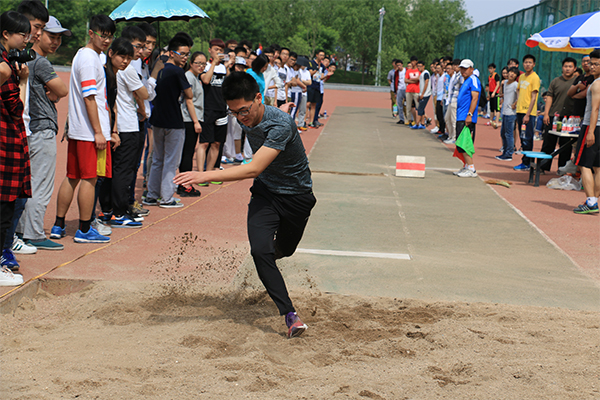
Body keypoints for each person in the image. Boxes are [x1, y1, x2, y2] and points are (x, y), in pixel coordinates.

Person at [174, 72, 316, 338]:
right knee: (260, 251)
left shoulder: (281, 125)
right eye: (234, 113)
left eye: (244, 111)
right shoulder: (249, 113)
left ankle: (268, 263)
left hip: (297, 197)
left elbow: (253, 168)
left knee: (283, 250)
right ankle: (290, 315)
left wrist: (205, 174)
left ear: (258, 99)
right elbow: (259, 173)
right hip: (265, 193)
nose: (241, 118)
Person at [51, 14, 115, 244]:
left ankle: (59, 225)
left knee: (73, 177)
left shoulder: (85, 55)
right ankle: (85, 229)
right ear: (92, 33)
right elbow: (90, 97)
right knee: (89, 179)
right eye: (103, 35)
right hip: (89, 132)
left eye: (110, 37)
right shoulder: (89, 59)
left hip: (81, 130)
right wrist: (99, 131)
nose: (106, 40)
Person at [17, 16, 69, 251]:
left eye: (59, 37)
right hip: (42, 128)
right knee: (41, 184)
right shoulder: (41, 63)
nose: (55, 41)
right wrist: (55, 92)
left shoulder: (26, 59)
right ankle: (34, 232)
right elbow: (62, 89)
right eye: (51, 35)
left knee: (28, 183)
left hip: (29, 127)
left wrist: (54, 93)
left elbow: (56, 92)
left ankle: (21, 231)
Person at [103, 26, 149, 227]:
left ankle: (110, 210)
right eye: (137, 46)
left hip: (117, 125)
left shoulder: (112, 70)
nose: (138, 53)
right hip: (126, 126)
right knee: (124, 170)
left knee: (115, 170)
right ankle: (118, 213)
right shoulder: (125, 70)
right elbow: (145, 94)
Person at [144, 36, 196, 208]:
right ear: (172, 53)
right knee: (171, 161)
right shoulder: (177, 72)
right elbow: (189, 94)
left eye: (187, 54)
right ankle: (167, 197)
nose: (185, 57)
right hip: (174, 121)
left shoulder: (157, 68)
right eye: (182, 53)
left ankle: (152, 195)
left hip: (157, 119)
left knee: (158, 158)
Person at [0, 10, 31, 284]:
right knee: (4, 206)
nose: (27, 39)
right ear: (6, 34)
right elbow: (16, 107)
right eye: (23, 33)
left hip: (6, 141)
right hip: (5, 142)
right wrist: (22, 81)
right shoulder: (4, 65)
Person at [196, 39, 232, 186]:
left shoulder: (223, 68)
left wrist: (228, 66)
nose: (219, 52)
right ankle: (200, 174)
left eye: (221, 50)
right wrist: (213, 64)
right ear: (210, 50)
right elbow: (205, 80)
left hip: (221, 109)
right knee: (204, 143)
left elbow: (229, 84)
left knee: (217, 143)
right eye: (216, 49)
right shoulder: (205, 66)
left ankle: (209, 173)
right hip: (207, 109)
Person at [572, 50, 600, 214]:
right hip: (597, 127)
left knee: (584, 164)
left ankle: (591, 202)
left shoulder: (596, 84)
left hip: (593, 126)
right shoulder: (594, 82)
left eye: (597, 64)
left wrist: (590, 132)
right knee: (597, 166)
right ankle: (593, 199)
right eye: (592, 63)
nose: (593, 66)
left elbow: (595, 109)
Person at [539, 57, 576, 171]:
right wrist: (546, 114)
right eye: (565, 66)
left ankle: (562, 168)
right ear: (562, 68)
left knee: (565, 145)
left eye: (570, 67)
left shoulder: (577, 82)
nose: (567, 69)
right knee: (548, 143)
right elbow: (549, 97)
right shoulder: (555, 81)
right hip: (553, 117)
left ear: (574, 68)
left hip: (569, 118)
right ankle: (543, 167)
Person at [177, 51, 206, 196]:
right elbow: (189, 101)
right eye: (198, 63)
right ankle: (184, 184)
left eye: (203, 64)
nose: (201, 66)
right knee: (187, 153)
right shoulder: (189, 76)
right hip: (189, 119)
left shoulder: (196, 77)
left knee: (188, 152)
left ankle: (185, 183)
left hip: (193, 118)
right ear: (191, 63)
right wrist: (196, 122)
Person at [453, 59, 481, 178]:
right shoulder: (465, 80)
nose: (463, 70)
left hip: (466, 117)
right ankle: (466, 166)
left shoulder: (473, 79)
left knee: (465, 143)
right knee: (460, 143)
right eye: (462, 68)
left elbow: (475, 98)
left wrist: (469, 114)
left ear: (471, 69)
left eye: (466, 68)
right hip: (461, 115)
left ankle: (471, 168)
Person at [513, 54, 540, 171]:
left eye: (530, 62)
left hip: (528, 113)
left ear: (534, 64)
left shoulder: (535, 78)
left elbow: (534, 97)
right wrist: (517, 103)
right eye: (526, 62)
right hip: (520, 110)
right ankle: (525, 161)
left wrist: (528, 114)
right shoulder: (522, 76)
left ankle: (528, 163)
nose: (527, 64)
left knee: (527, 138)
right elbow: (518, 90)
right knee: (522, 137)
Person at [496, 67, 519, 161]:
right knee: (503, 133)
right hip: (504, 111)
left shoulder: (515, 85)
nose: (511, 74)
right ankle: (505, 152)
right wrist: (501, 87)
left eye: (514, 73)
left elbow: (519, 96)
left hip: (511, 113)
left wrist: (515, 104)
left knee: (508, 134)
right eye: (510, 72)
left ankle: (509, 154)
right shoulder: (505, 83)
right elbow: (503, 94)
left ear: (516, 76)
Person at [307, 50, 324, 128]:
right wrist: (316, 69)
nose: (322, 57)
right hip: (311, 85)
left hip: (317, 86)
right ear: (317, 55)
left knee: (314, 104)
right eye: (320, 55)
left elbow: (321, 77)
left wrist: (328, 75)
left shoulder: (322, 66)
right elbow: (310, 73)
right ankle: (304, 120)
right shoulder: (311, 63)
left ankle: (311, 122)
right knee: (308, 104)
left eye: (323, 55)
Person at [411, 61, 430, 130]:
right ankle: (422, 123)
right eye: (418, 66)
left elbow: (426, 83)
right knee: (421, 109)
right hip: (422, 93)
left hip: (425, 94)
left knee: (420, 109)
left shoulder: (426, 73)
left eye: (420, 66)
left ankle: (417, 123)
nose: (419, 67)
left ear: (423, 66)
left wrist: (422, 94)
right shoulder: (421, 73)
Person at [405, 56, 420, 126]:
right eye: (411, 61)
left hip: (416, 90)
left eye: (414, 61)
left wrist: (410, 80)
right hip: (409, 90)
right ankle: (409, 120)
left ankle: (418, 120)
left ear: (416, 62)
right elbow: (405, 80)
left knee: (418, 106)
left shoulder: (418, 70)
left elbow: (418, 79)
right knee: (408, 106)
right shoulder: (408, 71)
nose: (412, 63)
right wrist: (414, 80)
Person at [487, 63, 500, 128]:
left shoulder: (496, 75)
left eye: (491, 68)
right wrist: (488, 94)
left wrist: (494, 93)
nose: (490, 70)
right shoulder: (489, 76)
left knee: (497, 108)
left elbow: (498, 84)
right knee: (491, 108)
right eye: (489, 68)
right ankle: (491, 121)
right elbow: (489, 85)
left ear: (494, 69)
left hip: (496, 94)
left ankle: (497, 122)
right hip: (491, 93)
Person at [395, 60, 406, 125]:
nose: (399, 66)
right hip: (399, 89)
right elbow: (395, 81)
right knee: (399, 105)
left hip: (406, 88)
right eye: (397, 65)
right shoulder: (396, 72)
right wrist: (395, 91)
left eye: (399, 65)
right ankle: (401, 119)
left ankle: (411, 119)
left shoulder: (406, 70)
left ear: (402, 64)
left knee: (408, 105)